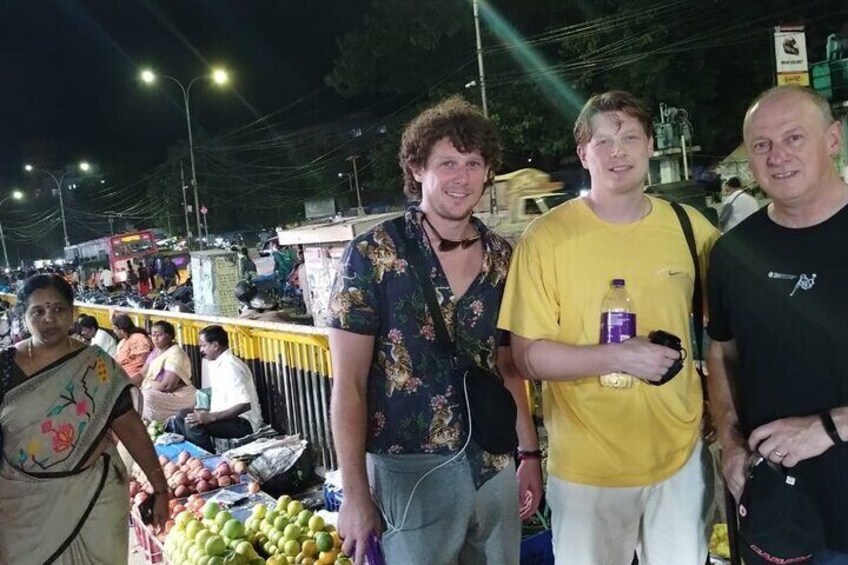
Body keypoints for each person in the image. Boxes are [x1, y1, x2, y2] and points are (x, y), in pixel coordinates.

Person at [499, 90, 719, 565]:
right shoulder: (546, 238)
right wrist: (619, 355)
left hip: (680, 462)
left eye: (630, 137)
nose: (618, 151)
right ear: (583, 154)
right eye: (603, 141)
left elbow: (732, 324)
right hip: (587, 473)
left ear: (650, 146)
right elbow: (526, 356)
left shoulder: (688, 227)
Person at [328, 96, 541, 565]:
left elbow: (507, 367)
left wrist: (529, 455)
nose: (461, 177)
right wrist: (356, 495)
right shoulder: (372, 255)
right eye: (447, 163)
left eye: (473, 163)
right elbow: (349, 386)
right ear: (418, 169)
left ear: (488, 173)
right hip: (409, 474)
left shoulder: (504, 258)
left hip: (493, 464)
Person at [707, 86, 848, 562]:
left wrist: (827, 429)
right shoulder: (733, 253)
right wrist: (728, 442)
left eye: (793, 137)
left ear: (833, 139)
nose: (777, 156)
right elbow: (722, 351)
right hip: (777, 514)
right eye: (762, 145)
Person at [0, 274, 169, 564]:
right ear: (23, 317)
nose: (49, 318)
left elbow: (129, 426)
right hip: (22, 505)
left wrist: (161, 488)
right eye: (38, 311)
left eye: (58, 309)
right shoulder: (4, 367)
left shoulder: (97, 365)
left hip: (96, 496)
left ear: (72, 313)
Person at [169, 325, 261, 453]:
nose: (201, 350)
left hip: (244, 422)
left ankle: (208, 459)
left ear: (215, 345)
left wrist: (212, 417)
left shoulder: (231, 367)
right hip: (225, 416)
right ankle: (192, 456)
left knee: (193, 423)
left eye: (203, 345)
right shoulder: (217, 363)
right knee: (182, 415)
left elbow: (245, 405)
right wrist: (202, 409)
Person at [137, 320, 195, 422]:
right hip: (154, 389)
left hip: (178, 396)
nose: (155, 338)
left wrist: (147, 387)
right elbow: (142, 373)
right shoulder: (156, 350)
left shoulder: (175, 353)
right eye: (153, 335)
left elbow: (167, 386)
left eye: (159, 335)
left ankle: (154, 423)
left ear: (170, 336)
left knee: (146, 397)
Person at [113, 314, 153, 381]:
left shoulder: (138, 338)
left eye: (115, 329)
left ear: (122, 331)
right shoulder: (124, 341)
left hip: (134, 376)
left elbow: (141, 361)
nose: (114, 331)